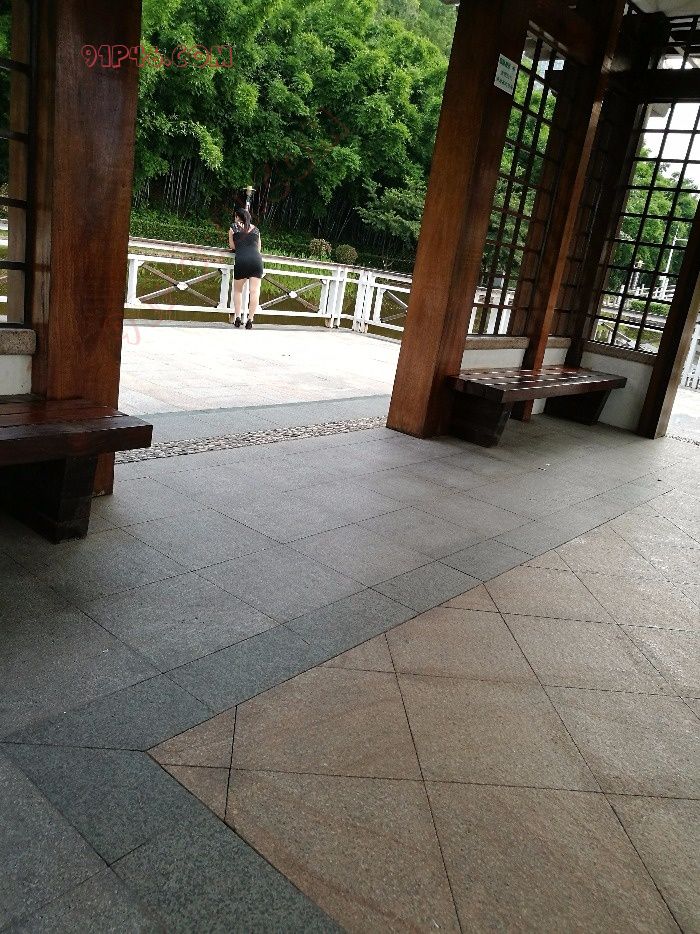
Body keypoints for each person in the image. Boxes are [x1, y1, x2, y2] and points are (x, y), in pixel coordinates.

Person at [228, 207, 264, 329]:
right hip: (256, 260)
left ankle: (238, 317)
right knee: (255, 291)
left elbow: (232, 246)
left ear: (237, 217)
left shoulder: (233, 227)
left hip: (242, 260)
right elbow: (258, 248)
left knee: (238, 291)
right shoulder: (256, 230)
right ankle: (250, 320)